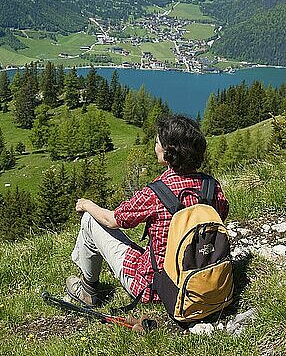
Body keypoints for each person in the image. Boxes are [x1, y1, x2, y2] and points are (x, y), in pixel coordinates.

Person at [66, 114, 229, 306]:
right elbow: (222, 215)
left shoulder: (157, 192)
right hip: (204, 279)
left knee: (89, 220)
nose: (156, 144)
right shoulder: (211, 187)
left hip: (156, 288)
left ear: (169, 151)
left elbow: (113, 220)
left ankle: (88, 290)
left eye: (158, 141)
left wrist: (86, 204)